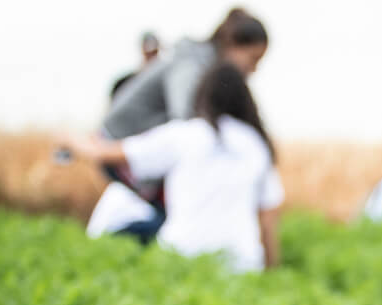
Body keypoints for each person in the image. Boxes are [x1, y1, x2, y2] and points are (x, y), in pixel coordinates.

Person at [62, 62, 284, 273]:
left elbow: (109, 153)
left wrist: (70, 140)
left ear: (202, 97)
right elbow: (268, 220)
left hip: (182, 257)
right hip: (240, 265)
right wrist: (271, 271)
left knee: (126, 234)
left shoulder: (184, 134)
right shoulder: (255, 144)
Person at [98, 8, 270, 242]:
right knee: (180, 213)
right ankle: (118, 243)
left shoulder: (206, 64)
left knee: (184, 212)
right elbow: (185, 116)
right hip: (117, 144)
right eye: (253, 59)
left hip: (134, 144)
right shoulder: (191, 62)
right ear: (232, 45)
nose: (253, 69)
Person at [111, 32, 161, 99]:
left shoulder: (165, 83)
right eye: (148, 53)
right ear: (142, 50)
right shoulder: (125, 84)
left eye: (154, 52)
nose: (151, 56)